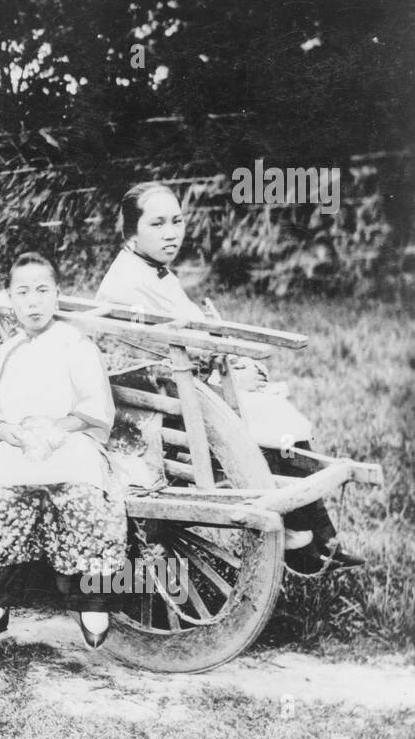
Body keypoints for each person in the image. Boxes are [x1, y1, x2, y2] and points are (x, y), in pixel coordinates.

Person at [94, 181, 362, 575]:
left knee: (277, 414)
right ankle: (302, 540)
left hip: (182, 385)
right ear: (131, 231)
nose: (171, 233)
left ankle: (317, 538)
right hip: (160, 402)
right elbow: (166, 352)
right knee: (270, 416)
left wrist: (231, 363)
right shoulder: (128, 283)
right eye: (157, 224)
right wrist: (227, 367)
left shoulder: (150, 272)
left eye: (177, 221)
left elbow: (193, 337)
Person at [0, 252, 127, 648]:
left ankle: (93, 601)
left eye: (42, 290)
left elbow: (94, 407)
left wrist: (59, 428)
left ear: (58, 294)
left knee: (85, 497)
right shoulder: (8, 350)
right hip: (20, 446)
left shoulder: (75, 343)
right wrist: (7, 432)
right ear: (11, 299)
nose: (33, 301)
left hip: (69, 441)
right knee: (1, 496)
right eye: (23, 292)